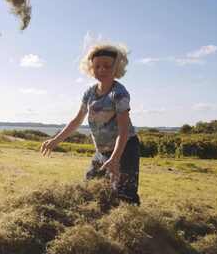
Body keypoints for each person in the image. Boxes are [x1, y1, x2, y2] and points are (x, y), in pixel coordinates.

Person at [40, 43, 141, 205]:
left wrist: (115, 158)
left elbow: (123, 131)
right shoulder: (89, 93)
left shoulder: (119, 94)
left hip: (125, 149)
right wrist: (55, 141)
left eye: (107, 66)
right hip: (102, 151)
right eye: (97, 66)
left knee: (125, 194)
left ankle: (130, 225)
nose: (102, 69)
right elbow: (76, 121)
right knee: (90, 187)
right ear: (90, 68)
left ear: (117, 68)